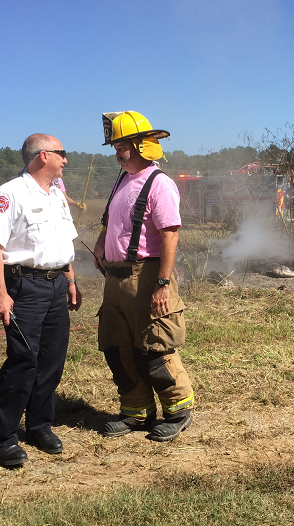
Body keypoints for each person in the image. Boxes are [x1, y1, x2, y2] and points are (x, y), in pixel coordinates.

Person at [92, 111, 194, 442]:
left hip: (147, 275)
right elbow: (111, 222)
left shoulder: (159, 183)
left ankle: (178, 411)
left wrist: (162, 284)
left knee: (154, 347)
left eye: (121, 145)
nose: (117, 152)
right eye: (116, 146)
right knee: (117, 347)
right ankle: (136, 412)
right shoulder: (121, 180)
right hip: (116, 279)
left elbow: (170, 236)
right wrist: (100, 246)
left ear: (140, 145)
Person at [0, 133, 82, 467]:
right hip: (25, 287)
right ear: (43, 156)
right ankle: (3, 438)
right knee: (23, 361)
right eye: (61, 153)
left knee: (52, 360)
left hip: (56, 286)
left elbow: (62, 243)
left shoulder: (56, 194)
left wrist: (70, 280)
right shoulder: (10, 194)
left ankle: (40, 426)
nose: (66, 159)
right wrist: (0, 294)